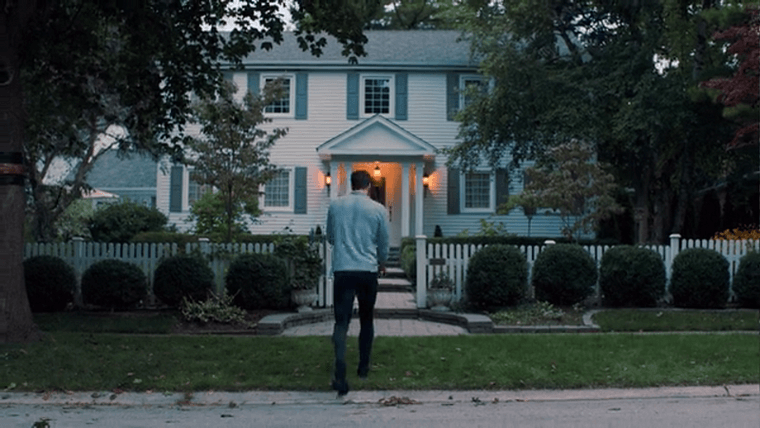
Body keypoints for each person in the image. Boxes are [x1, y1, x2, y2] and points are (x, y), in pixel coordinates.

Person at [326, 170, 389, 397]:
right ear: (368, 185)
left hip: (343, 270)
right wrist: (382, 262)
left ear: (350, 184)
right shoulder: (378, 209)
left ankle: (340, 370)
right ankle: (363, 367)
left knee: (341, 322)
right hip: (367, 271)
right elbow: (383, 243)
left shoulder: (335, 206)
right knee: (366, 320)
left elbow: (330, 237)